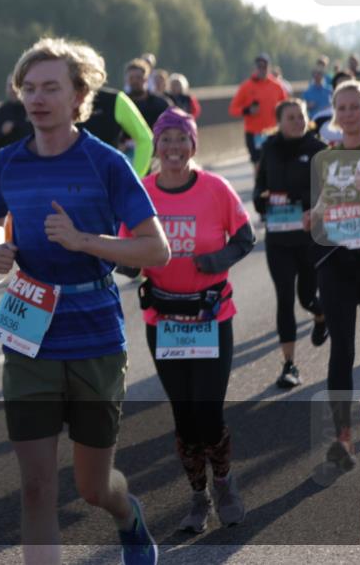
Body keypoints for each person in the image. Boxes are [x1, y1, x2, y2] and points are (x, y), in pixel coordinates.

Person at [0, 37, 170, 565]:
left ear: (79, 94)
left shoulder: (106, 163)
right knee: (37, 489)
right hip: (28, 330)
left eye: (51, 88)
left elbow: (156, 248)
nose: (37, 98)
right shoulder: (8, 164)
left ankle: (127, 513)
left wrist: (86, 241)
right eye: (29, 88)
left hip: (95, 334)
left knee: (91, 487)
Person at [120, 107, 254, 533]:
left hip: (212, 317)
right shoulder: (141, 193)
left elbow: (245, 238)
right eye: (166, 139)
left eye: (182, 139)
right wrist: (98, 255)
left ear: (193, 145)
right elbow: (126, 253)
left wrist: (218, 258)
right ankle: (198, 498)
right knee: (184, 417)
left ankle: (225, 484)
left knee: (208, 412)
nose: (174, 148)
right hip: (164, 318)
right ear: (156, 146)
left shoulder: (215, 188)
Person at [307, 80, 360, 470]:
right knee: (342, 350)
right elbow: (319, 208)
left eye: (356, 106)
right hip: (335, 262)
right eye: (343, 107)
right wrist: (313, 216)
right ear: (335, 114)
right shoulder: (327, 158)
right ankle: (342, 438)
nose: (349, 113)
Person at [253, 100, 329, 389]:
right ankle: (289, 365)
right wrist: (261, 199)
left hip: (309, 238)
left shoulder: (318, 149)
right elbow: (261, 184)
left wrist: (305, 201)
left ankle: (321, 315)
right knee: (284, 298)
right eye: (291, 117)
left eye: (301, 117)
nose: (297, 121)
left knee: (306, 297)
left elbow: (329, 193)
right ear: (279, 120)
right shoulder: (269, 147)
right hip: (279, 238)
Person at [228, 53, 288, 172]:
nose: (262, 69)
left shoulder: (277, 86)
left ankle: (271, 188)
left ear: (269, 68)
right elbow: (232, 109)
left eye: (264, 66)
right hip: (253, 133)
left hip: (272, 132)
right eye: (259, 66)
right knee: (258, 165)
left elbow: (286, 106)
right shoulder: (246, 86)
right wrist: (247, 110)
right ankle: (260, 189)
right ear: (255, 68)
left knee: (272, 164)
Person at [81, 87, 154, 177]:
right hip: (64, 184)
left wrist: (135, 178)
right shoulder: (61, 98)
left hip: (106, 184)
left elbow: (145, 140)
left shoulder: (114, 99)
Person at [0, 74, 33, 149]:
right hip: (8, 159)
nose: (14, 90)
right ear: (6, 88)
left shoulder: (33, 110)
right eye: (11, 86)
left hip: (31, 159)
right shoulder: (0, 112)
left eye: (17, 86)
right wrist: (1, 132)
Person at [125, 58, 171, 128]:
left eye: (138, 78)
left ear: (146, 79)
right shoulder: (123, 103)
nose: (135, 81)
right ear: (127, 80)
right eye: (131, 78)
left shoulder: (161, 104)